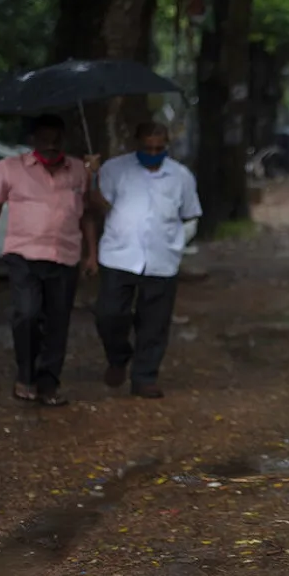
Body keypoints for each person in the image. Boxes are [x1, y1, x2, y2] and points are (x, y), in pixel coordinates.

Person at [0, 114, 100, 407]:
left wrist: (92, 253)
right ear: (32, 140)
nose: (51, 145)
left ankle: (49, 384)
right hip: (24, 256)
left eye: (56, 138)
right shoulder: (9, 168)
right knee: (28, 314)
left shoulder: (78, 171)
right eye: (44, 139)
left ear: (64, 139)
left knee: (58, 322)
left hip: (65, 256)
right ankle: (26, 375)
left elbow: (87, 214)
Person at [90, 122, 201, 399]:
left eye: (158, 148)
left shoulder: (181, 176)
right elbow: (98, 207)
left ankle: (144, 377)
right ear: (135, 143)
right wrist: (92, 178)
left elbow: (190, 214)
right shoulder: (115, 169)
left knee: (154, 321)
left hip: (162, 259)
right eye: (147, 147)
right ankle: (118, 356)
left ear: (166, 145)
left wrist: (177, 245)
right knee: (108, 314)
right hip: (119, 255)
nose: (152, 152)